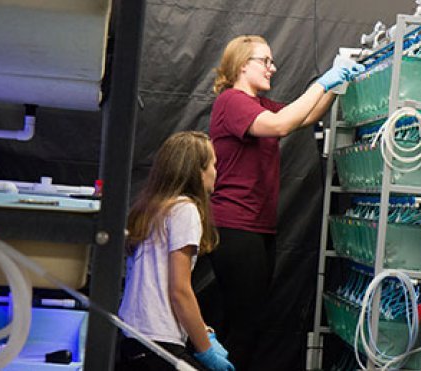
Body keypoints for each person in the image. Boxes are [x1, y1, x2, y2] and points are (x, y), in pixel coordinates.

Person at [203, 34, 358, 369]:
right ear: (243, 65)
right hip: (234, 226)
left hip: (257, 226)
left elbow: (305, 115)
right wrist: (326, 80)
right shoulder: (231, 101)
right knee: (244, 322)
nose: (273, 68)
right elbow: (283, 124)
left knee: (249, 319)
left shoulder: (257, 105)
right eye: (265, 61)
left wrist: (334, 84)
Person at [118, 131, 235, 371]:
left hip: (133, 339)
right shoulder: (185, 210)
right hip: (159, 343)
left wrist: (203, 332)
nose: (216, 171)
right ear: (197, 171)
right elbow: (179, 291)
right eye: (213, 164)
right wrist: (206, 351)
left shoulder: (151, 209)